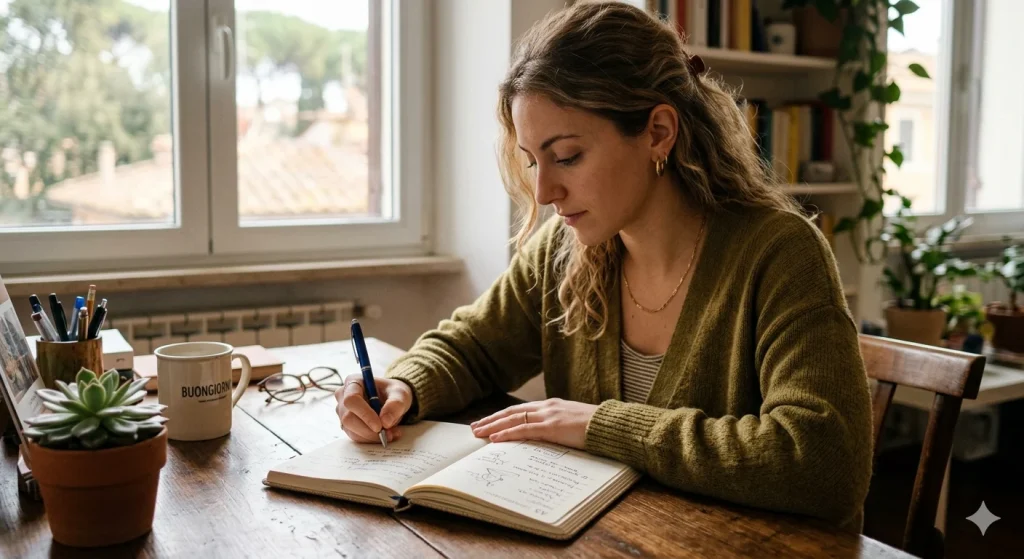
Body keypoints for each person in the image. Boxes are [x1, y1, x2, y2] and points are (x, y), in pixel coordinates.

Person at [335, 2, 873, 530]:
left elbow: (823, 462)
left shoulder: (779, 254)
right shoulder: (564, 251)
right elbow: (473, 347)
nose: (545, 191)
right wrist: (404, 386)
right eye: (532, 161)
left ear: (658, 132)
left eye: (567, 156)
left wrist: (599, 425)